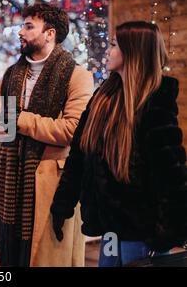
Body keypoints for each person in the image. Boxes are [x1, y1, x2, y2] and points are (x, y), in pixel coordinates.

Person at [51, 21, 187, 267]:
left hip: (143, 233)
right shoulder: (103, 98)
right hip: (111, 228)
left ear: (133, 51)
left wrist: (166, 233)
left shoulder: (154, 102)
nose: (108, 50)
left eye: (114, 44)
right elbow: (79, 156)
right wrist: (63, 204)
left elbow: (171, 175)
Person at [0, 2, 94, 266]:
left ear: (50, 33)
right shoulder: (10, 75)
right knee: (12, 256)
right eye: (22, 25)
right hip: (12, 178)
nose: (20, 32)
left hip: (53, 185)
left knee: (47, 258)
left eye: (29, 26)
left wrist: (17, 119)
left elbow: (70, 130)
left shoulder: (76, 76)